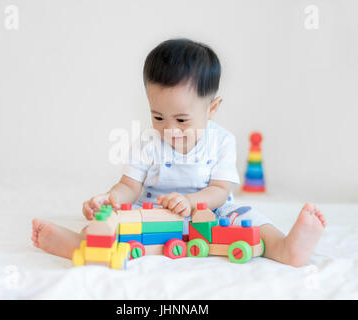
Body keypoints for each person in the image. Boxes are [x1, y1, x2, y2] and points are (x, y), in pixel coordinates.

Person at [31, 38, 326, 267]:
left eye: (182, 120)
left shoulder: (221, 141)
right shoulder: (149, 143)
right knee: (110, 223)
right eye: (158, 117)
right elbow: (130, 185)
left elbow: (220, 190)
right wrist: (110, 199)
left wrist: (190, 201)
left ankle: (286, 248)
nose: (169, 129)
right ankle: (78, 243)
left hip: (209, 211)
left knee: (250, 221)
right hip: (152, 213)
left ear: (212, 108)